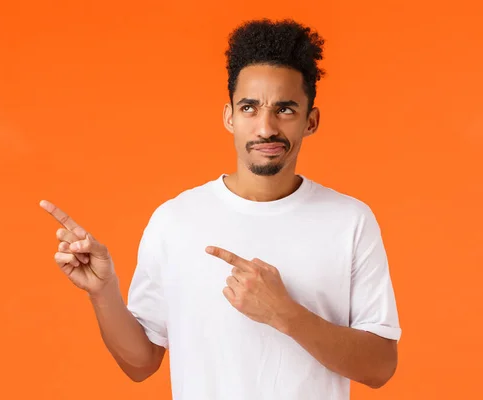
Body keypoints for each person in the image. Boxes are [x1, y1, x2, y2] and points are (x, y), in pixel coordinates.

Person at [40, 18, 401, 400]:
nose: (265, 127)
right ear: (229, 116)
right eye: (249, 107)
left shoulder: (349, 220)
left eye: (285, 109)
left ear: (311, 121)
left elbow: (379, 367)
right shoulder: (175, 221)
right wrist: (103, 291)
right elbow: (140, 364)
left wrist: (284, 314)